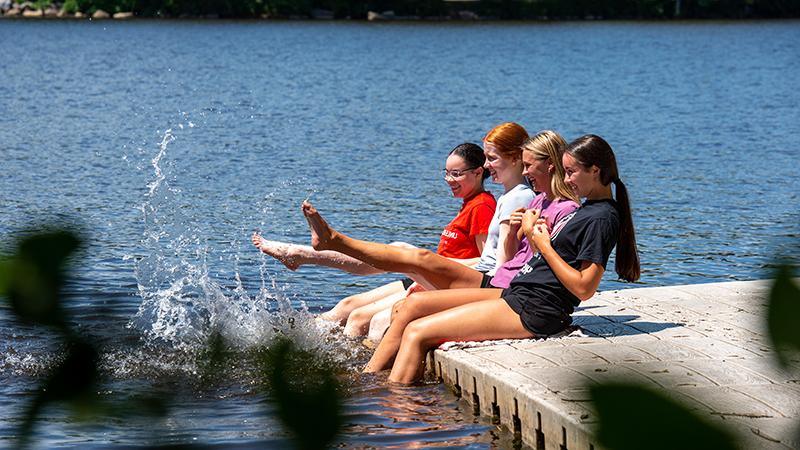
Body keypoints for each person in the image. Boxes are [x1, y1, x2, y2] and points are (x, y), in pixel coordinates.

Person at [300, 134, 640, 383]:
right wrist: (531, 237)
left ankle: (395, 411)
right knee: (411, 306)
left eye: (571, 173)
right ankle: (367, 380)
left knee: (418, 333)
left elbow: (584, 288)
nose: (566, 180)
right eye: (564, 172)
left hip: (536, 309)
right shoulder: (588, 210)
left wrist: (542, 243)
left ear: (595, 170)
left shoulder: (601, 217)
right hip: (518, 293)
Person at [256, 122, 535, 337]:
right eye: (447, 172)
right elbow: (494, 256)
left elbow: (498, 263)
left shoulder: (490, 203)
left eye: (491, 159)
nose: (487, 166)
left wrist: (437, 266)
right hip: (461, 276)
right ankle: (293, 333)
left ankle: (312, 250)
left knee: (394, 266)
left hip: (472, 282)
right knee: (350, 303)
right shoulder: (497, 199)